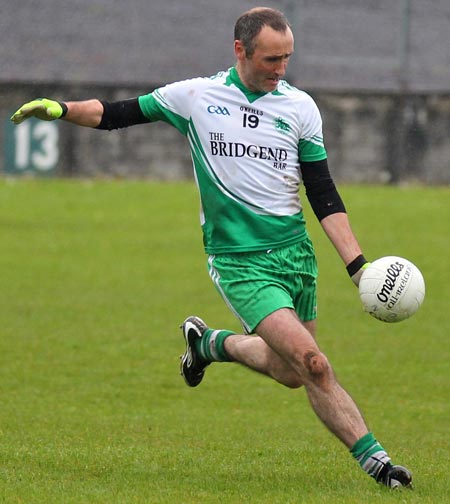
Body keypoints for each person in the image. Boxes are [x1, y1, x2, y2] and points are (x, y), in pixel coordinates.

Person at [11, 7, 413, 489]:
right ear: (240, 50)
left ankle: (208, 343)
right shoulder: (196, 97)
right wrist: (59, 110)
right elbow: (117, 114)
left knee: (288, 372)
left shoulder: (300, 107)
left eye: (286, 59)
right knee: (313, 363)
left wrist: (358, 268)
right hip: (239, 262)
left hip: (294, 255)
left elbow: (323, 192)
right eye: (270, 59)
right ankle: (381, 466)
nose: (280, 69)